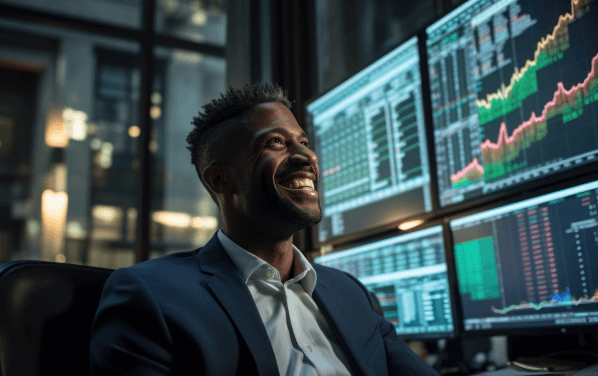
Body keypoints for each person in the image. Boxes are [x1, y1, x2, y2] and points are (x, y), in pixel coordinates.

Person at [89, 82, 441, 376]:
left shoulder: (350, 292)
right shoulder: (150, 293)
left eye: (303, 142)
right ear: (221, 180)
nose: (306, 156)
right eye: (276, 142)